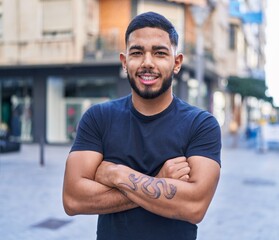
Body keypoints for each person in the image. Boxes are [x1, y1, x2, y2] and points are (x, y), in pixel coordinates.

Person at [62, 11, 221, 240]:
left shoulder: (201, 125)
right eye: (137, 52)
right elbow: (73, 199)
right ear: (125, 62)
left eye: (159, 53)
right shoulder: (98, 118)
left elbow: (194, 206)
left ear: (176, 63)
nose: (148, 63)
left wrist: (117, 173)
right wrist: (159, 181)